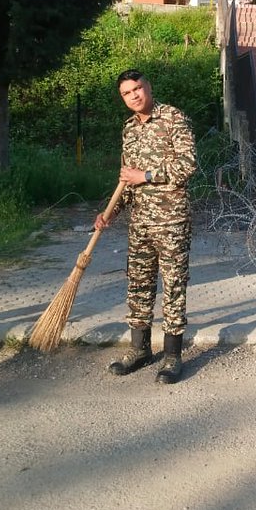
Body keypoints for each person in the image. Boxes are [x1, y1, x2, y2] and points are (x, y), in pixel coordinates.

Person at [96, 70, 197, 384]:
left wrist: (147, 176)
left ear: (149, 87)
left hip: (171, 220)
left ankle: (172, 356)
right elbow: (127, 177)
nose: (134, 95)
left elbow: (188, 164)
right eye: (127, 93)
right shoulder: (129, 129)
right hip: (139, 222)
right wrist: (112, 210)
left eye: (138, 88)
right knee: (138, 286)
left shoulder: (173, 119)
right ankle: (139, 350)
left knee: (173, 287)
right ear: (123, 99)